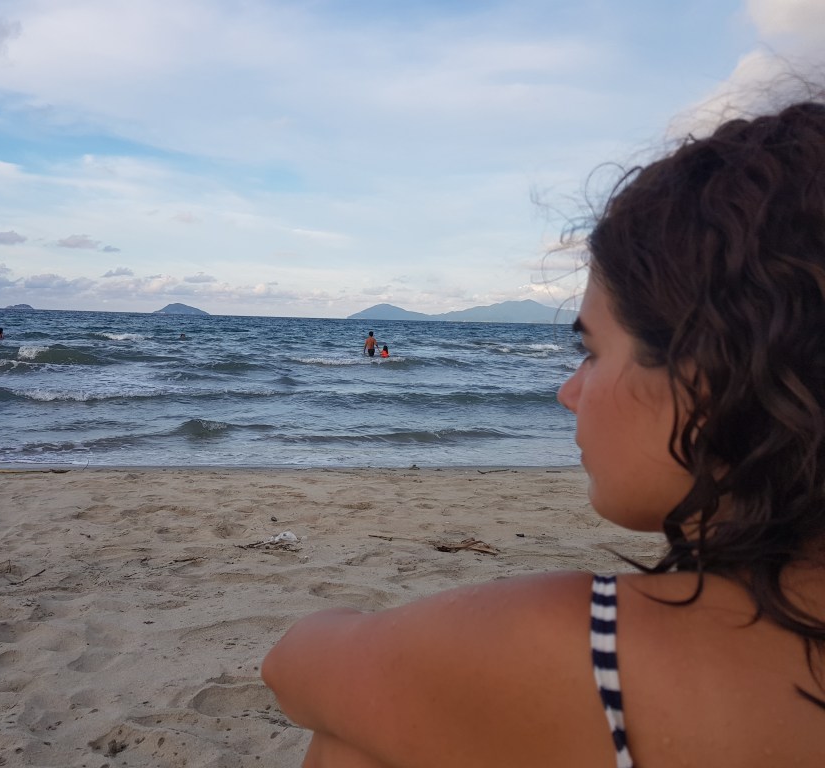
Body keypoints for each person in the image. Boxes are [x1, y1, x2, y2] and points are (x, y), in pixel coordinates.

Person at [262, 98, 825, 766]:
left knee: (347, 746)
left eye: (591, 351)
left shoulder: (586, 647)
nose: (567, 392)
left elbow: (291, 665)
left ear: (710, 373)